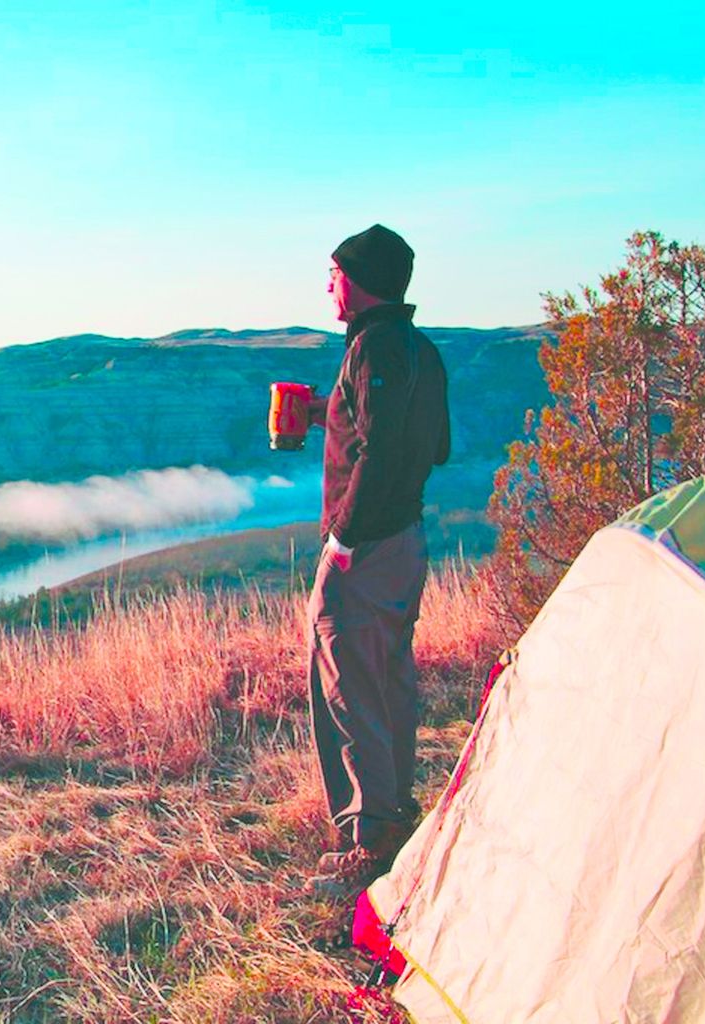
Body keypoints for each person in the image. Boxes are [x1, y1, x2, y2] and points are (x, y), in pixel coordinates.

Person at [302, 224, 450, 898]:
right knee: (386, 677)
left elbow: (381, 450)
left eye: (333, 274)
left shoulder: (373, 348)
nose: (328, 286)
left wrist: (346, 537)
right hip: (406, 539)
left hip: (366, 547)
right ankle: (392, 811)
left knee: (347, 682)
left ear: (357, 280)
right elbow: (432, 445)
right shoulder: (418, 348)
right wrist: (328, 414)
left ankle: (369, 841)